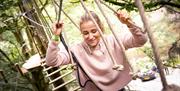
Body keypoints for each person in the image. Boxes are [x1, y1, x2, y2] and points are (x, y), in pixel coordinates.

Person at [46, 11, 147, 91]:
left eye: (94, 31)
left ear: (101, 28)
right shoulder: (76, 50)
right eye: (85, 33)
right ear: (81, 33)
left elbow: (141, 40)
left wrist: (129, 24)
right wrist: (55, 37)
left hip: (119, 88)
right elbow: (51, 61)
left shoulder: (113, 40)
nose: (90, 37)